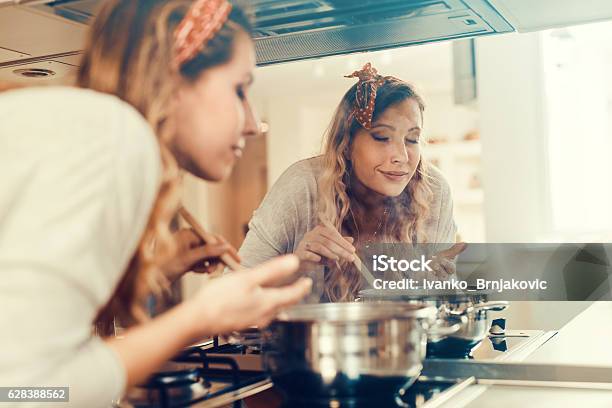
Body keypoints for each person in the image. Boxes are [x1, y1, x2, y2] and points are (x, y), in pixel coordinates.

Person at [0, 0, 311, 406]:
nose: (252, 123)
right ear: (171, 74)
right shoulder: (114, 137)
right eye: (239, 89)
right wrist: (199, 318)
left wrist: (158, 271)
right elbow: (29, 393)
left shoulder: (84, 126)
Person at [239, 63, 464, 302]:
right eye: (382, 137)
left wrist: (443, 286)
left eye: (412, 139)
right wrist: (296, 268)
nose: (402, 156)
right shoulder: (302, 186)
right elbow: (235, 293)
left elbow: (440, 305)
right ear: (346, 143)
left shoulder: (433, 190)